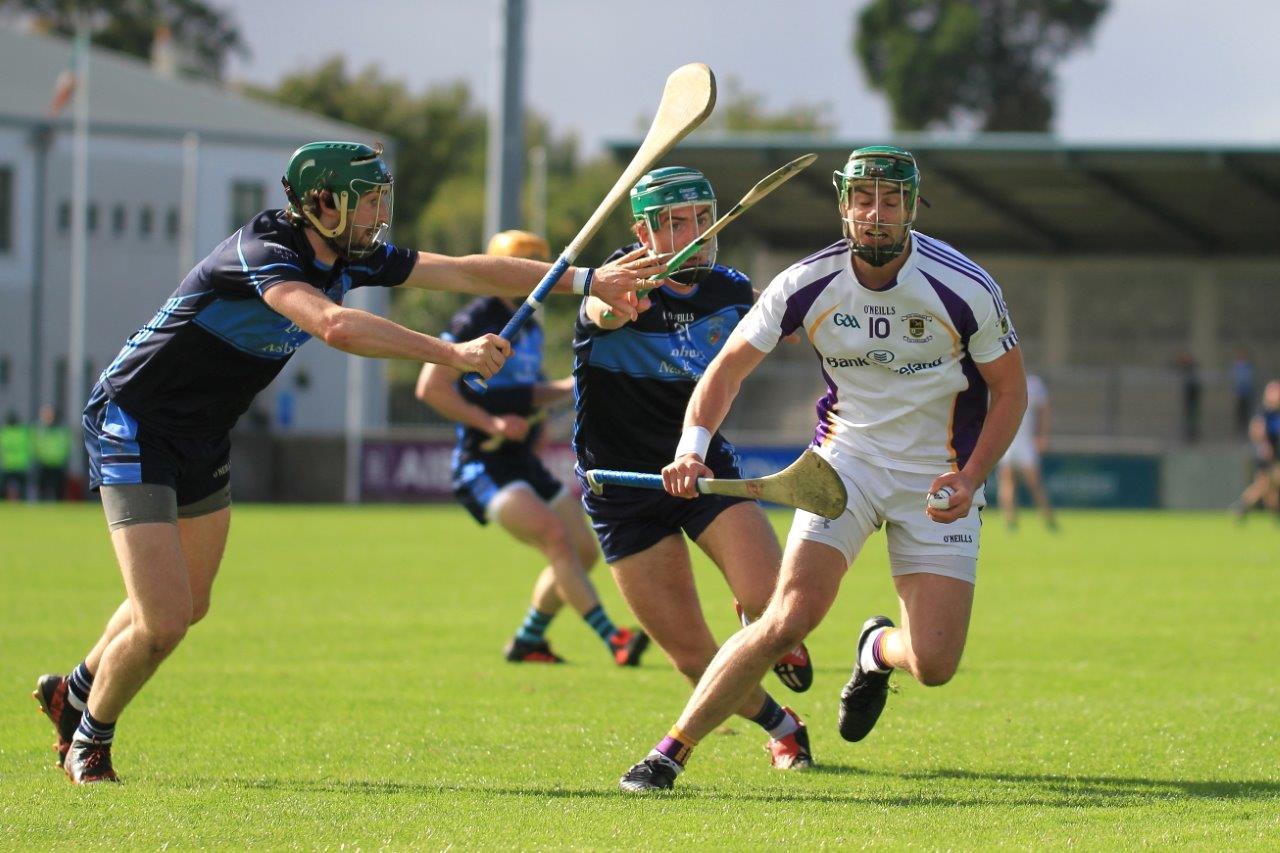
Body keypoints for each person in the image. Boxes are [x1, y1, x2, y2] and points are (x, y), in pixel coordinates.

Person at [31, 140, 664, 784]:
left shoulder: (351, 254)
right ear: (321, 204)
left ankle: (75, 688)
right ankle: (90, 736)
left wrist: (587, 279)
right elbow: (334, 326)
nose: (377, 217)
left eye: (380, 202)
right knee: (163, 620)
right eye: (366, 204)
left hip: (202, 435)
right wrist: (453, 356)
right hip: (134, 420)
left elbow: (472, 271)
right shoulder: (264, 255)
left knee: (185, 605)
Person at [619, 146, 1027, 792]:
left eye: (891, 200)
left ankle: (875, 650)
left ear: (913, 207)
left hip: (937, 477)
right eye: (863, 199)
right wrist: (691, 445)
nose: (875, 214)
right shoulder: (804, 282)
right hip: (845, 466)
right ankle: (669, 752)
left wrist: (971, 476)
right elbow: (724, 370)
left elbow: (1010, 391)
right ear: (844, 205)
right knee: (788, 616)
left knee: (935, 663)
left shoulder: (964, 287)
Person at [575, 166, 816, 776]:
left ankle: (754, 621)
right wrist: (619, 298)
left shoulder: (729, 289)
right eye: (677, 223)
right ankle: (783, 727)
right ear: (643, 231)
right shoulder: (616, 285)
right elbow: (604, 316)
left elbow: (781, 332)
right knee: (693, 658)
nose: (696, 233)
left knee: (774, 610)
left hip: (703, 468)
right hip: (623, 489)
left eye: (704, 219)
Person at [415, 229, 648, 666]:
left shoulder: (531, 323)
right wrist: (491, 421)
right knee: (556, 539)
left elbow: (529, 392)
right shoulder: (478, 317)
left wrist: (576, 384)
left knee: (581, 551)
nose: (536, 277)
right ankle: (613, 638)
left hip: (522, 460)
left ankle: (528, 640)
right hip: (482, 464)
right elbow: (431, 388)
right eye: (527, 266)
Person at [997, 374, 1057, 531]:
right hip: (1008, 440)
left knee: (1034, 482)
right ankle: (1011, 520)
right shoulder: (1001, 379)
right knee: (1008, 480)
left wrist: (1042, 435)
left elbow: (1043, 410)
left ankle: (1047, 518)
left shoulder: (1033, 384)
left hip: (1025, 440)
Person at [1231, 379, 1280, 521]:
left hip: (1275, 453)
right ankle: (1242, 506)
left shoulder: (1276, 412)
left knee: (1267, 488)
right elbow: (1256, 430)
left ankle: (1244, 507)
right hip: (1266, 454)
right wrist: (1264, 446)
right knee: (1266, 484)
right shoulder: (1264, 412)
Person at [34, 404, 71, 501]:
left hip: (58, 464)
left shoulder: (61, 430)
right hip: (44, 464)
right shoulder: (40, 430)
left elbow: (66, 446)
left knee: (59, 491)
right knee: (42, 490)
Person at [1, 410, 32, 500]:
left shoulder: (4, 433)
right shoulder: (23, 432)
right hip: (21, 465)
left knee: (3, 489)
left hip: (8, 465)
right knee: (23, 491)